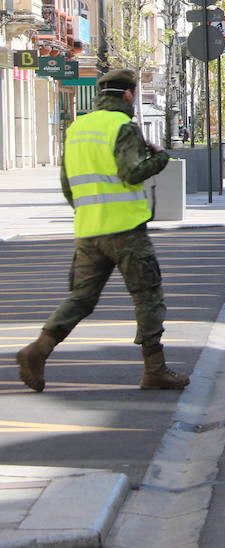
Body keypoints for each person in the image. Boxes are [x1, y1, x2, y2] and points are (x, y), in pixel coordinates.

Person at [14, 69, 189, 393]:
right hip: (126, 231)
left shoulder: (78, 128)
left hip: (88, 230)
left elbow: (68, 186)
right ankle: (155, 369)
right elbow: (132, 172)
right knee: (147, 296)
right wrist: (161, 158)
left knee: (81, 298)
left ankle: (37, 350)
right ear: (128, 95)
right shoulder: (123, 127)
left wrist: (89, 213)